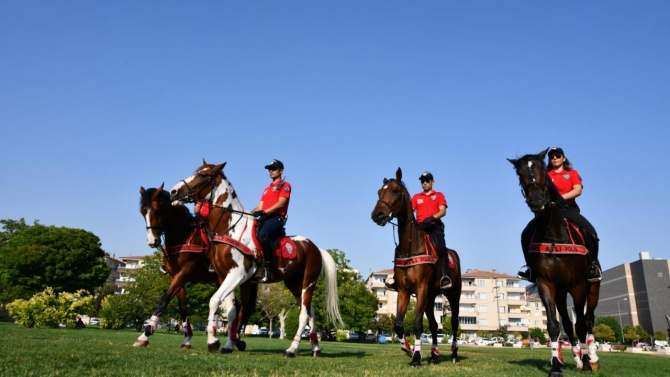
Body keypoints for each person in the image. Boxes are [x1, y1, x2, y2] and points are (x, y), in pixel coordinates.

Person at [517, 147, 601, 282]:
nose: (554, 158)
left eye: (558, 155)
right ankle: (530, 268)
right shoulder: (544, 173)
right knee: (525, 234)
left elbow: (577, 190)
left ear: (564, 158)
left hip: (568, 209)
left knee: (591, 232)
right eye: (552, 156)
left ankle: (592, 266)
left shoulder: (572, 173)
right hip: (548, 211)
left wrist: (559, 198)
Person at [385, 171, 451, 291]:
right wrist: (392, 213)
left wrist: (432, 217)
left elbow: (443, 211)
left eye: (427, 181)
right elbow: (408, 211)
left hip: (434, 227)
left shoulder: (439, 195)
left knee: (440, 246)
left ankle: (444, 276)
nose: (425, 183)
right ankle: (396, 279)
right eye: (423, 181)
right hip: (420, 228)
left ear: (432, 182)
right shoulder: (416, 197)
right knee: (400, 248)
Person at [251, 159, 291, 283]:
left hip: (276, 219)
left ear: (281, 170)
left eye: (274, 169)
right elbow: (260, 206)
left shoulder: (285, 185)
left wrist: (265, 211)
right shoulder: (266, 189)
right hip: (265, 217)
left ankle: (268, 269)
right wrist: (248, 213)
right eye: (270, 169)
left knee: (263, 234)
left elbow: (281, 203)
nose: (271, 171)